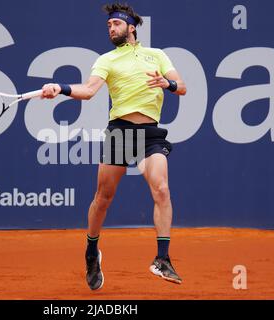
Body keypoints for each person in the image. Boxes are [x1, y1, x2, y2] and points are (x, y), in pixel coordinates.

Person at [41, 2, 187, 290]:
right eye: (108, 25)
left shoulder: (156, 55)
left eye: (116, 24)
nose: (111, 28)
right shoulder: (106, 60)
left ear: (130, 27)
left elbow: (181, 86)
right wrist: (61, 88)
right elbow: (89, 90)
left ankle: (162, 259)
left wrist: (167, 84)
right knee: (103, 197)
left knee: (162, 189)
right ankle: (91, 251)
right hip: (120, 132)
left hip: (150, 134)